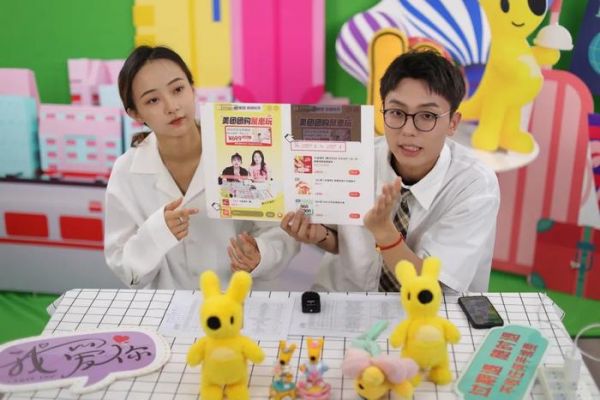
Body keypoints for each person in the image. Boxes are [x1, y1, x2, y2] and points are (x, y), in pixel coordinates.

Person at [281, 50, 500, 293]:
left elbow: (430, 289)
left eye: (427, 116)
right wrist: (320, 235)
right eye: (396, 112)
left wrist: (384, 232)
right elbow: (342, 243)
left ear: (453, 123)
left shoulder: (475, 185)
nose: (408, 130)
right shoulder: (354, 157)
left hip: (429, 309)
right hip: (345, 298)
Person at [104, 45, 299, 289]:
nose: (172, 106)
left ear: (192, 89)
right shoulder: (126, 172)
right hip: (169, 306)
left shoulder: (243, 149)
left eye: (178, 89)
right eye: (153, 100)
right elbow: (124, 267)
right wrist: (156, 233)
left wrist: (261, 255)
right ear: (135, 113)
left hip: (241, 301)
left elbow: (278, 229)